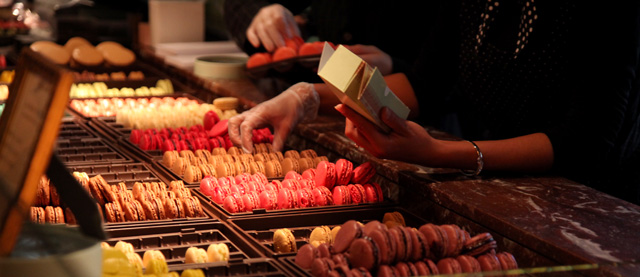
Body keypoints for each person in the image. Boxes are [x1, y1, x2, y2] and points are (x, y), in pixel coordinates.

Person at [228, 1, 640, 205]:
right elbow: (426, 83)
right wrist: (305, 98)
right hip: (502, 189)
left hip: (596, 207)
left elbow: (581, 145)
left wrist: (440, 153)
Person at [223, 0, 426, 76]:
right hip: (327, 99)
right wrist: (264, 14)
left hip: (418, 116)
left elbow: (449, 78)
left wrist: (396, 67)